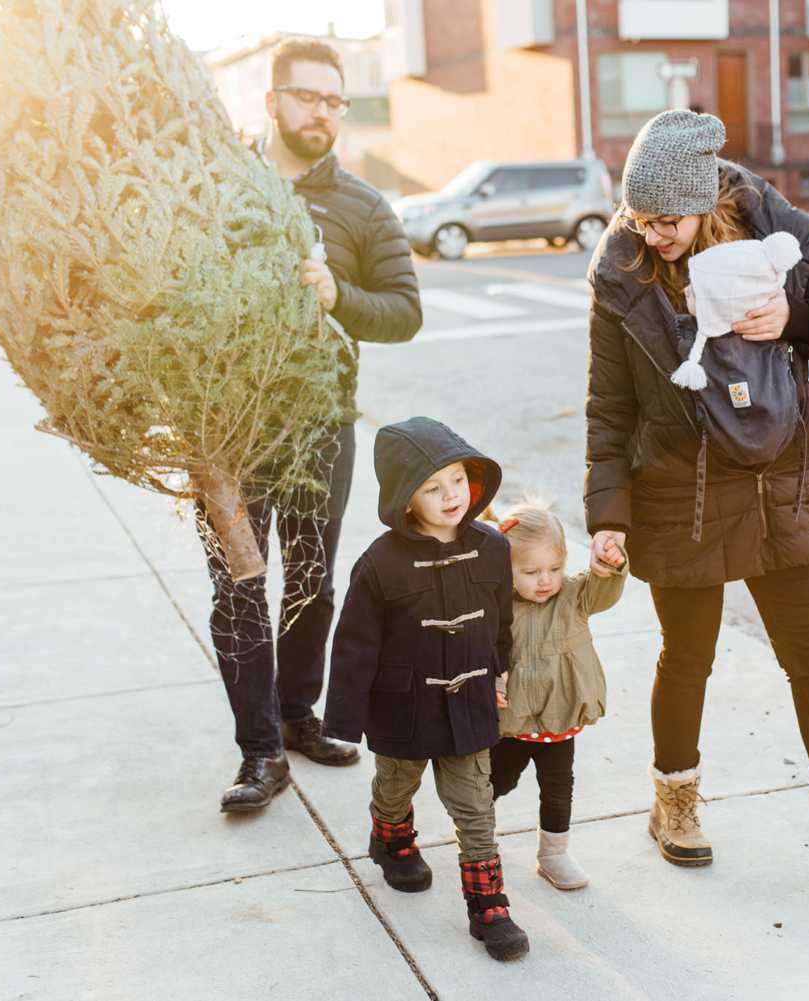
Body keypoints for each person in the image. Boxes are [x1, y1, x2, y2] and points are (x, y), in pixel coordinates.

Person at [583, 110, 809, 882]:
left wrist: (794, 318)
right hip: (679, 488)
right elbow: (609, 406)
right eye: (641, 216)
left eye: (668, 218)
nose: (655, 232)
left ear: (706, 200)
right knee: (688, 656)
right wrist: (608, 515)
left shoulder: (780, 241)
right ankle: (674, 802)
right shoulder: (624, 272)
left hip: (779, 482)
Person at [205, 39, 422, 813]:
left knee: (310, 582)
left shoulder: (363, 206)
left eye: (336, 101)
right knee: (238, 584)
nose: (324, 114)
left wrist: (339, 299)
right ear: (270, 102)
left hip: (321, 425)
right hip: (224, 433)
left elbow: (405, 312)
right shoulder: (216, 186)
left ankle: (297, 714)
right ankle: (259, 750)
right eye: (308, 98)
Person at [322, 417, 530, 962]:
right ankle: (390, 837)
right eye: (433, 487)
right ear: (404, 499)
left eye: (458, 479)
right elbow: (353, 647)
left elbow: (501, 622)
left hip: (470, 703)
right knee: (397, 784)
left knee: (475, 805)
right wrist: (344, 719)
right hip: (404, 706)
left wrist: (500, 672)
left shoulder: (490, 549)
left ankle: (489, 905)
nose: (451, 496)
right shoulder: (379, 565)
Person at [489, 501, 627, 891]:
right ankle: (479, 840)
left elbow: (603, 591)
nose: (545, 580)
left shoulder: (574, 596)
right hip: (512, 723)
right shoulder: (497, 608)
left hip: (559, 720)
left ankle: (553, 854)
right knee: (496, 782)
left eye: (554, 568)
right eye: (530, 572)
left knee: (558, 789)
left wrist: (607, 568)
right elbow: (482, 653)